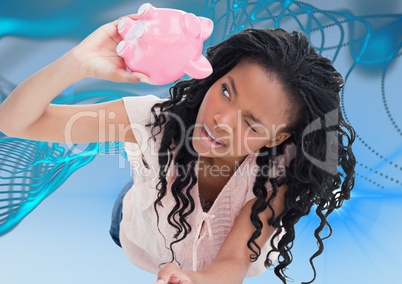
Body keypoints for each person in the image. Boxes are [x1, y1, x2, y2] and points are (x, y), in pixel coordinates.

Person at [0, 13, 356, 284]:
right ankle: (142, 177)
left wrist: (195, 279)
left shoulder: (276, 175)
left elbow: (232, 262)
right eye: (226, 91)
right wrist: (78, 62)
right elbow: (15, 121)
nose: (221, 120)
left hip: (206, 258)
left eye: (251, 123)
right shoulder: (156, 122)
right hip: (141, 227)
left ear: (278, 138)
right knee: (133, 202)